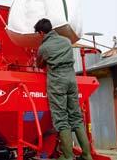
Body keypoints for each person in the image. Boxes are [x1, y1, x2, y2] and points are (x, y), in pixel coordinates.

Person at [34, 18, 92, 160]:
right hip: (72, 80)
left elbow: (40, 64)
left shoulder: (44, 47)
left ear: (42, 32)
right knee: (76, 117)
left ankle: (68, 157)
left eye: (38, 33)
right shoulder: (66, 41)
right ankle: (87, 155)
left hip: (57, 82)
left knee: (61, 119)